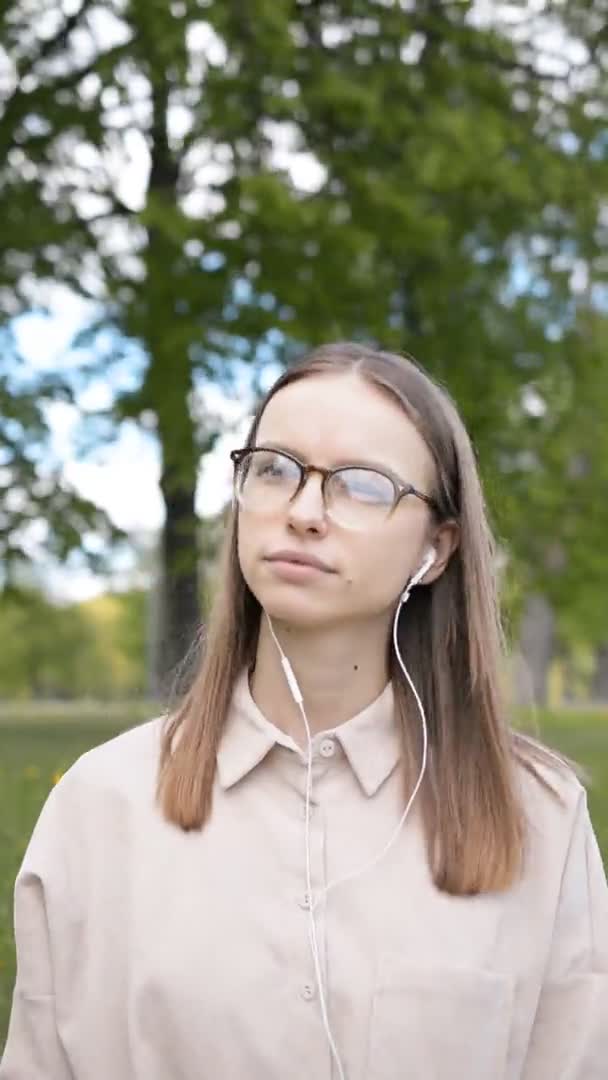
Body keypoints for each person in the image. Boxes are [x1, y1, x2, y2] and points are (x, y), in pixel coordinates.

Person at [1, 342, 607, 1080]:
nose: (305, 511)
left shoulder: (539, 817)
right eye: (274, 470)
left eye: (362, 486)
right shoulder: (99, 807)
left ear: (437, 548)